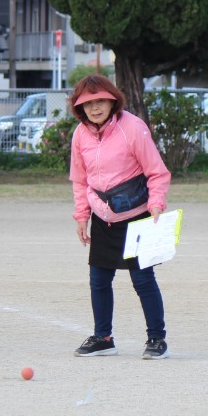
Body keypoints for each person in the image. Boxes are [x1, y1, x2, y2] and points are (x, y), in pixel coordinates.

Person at [68, 75, 172, 360]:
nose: (95, 108)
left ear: (112, 100)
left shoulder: (132, 128)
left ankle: (156, 339)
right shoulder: (80, 134)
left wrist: (156, 204)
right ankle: (103, 337)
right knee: (99, 280)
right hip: (103, 217)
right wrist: (82, 217)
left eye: (100, 100)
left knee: (143, 280)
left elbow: (157, 172)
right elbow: (80, 180)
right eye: (87, 103)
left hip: (136, 216)